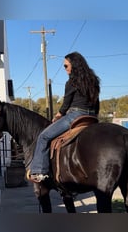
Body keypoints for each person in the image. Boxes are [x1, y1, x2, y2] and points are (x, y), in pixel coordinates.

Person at [28, 51, 100, 183]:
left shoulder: (72, 82)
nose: (65, 69)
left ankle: (39, 171)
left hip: (76, 115)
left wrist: (58, 115)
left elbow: (66, 104)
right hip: (92, 116)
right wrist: (95, 117)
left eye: (66, 66)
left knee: (43, 136)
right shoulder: (94, 80)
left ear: (74, 65)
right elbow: (97, 102)